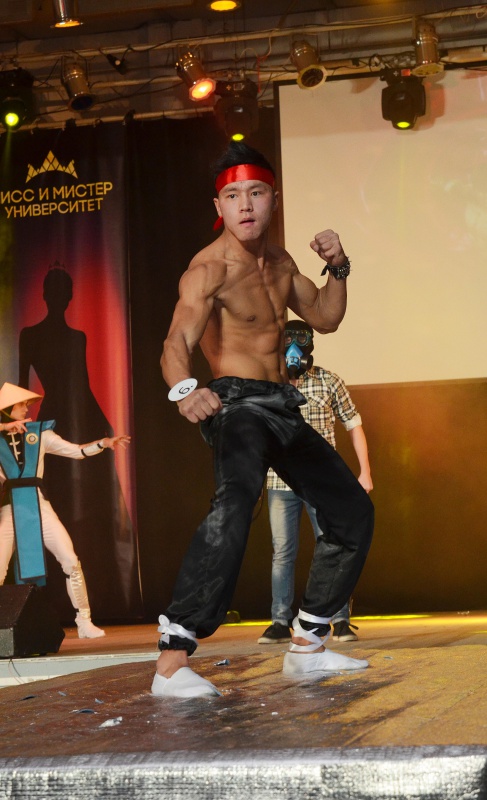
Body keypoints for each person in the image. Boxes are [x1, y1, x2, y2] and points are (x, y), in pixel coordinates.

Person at [153, 141, 374, 699]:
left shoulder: (281, 263)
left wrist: (338, 266)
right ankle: (172, 661)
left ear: (274, 199)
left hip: (281, 404)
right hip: (237, 404)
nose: (246, 205)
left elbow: (324, 317)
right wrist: (184, 390)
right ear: (219, 206)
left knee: (352, 511)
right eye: (233, 196)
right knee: (236, 500)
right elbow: (176, 340)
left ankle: (307, 648)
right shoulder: (208, 269)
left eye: (255, 193)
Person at [258, 319, 373, 646]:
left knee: (334, 546)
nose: (294, 348)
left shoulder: (328, 381)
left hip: (322, 481)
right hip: (280, 482)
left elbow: (354, 424)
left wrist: (365, 471)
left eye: (301, 340)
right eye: (289, 340)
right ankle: (279, 622)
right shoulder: (269, 384)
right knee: (282, 552)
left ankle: (339, 620)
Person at [0, 382, 130, 639]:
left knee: (70, 559)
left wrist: (103, 443)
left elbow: (76, 451)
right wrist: (3, 428)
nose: (26, 409)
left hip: (39, 506)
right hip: (10, 509)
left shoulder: (39, 434)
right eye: (21, 405)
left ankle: (84, 621)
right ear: (6, 410)